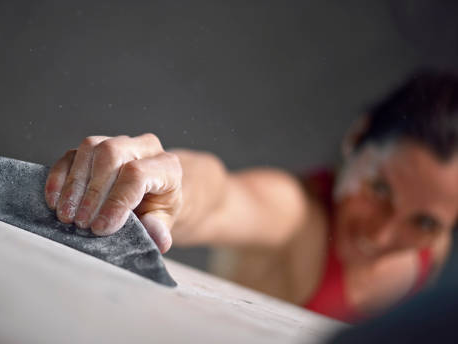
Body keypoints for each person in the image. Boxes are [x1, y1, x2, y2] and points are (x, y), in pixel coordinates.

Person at [44, 70, 458, 323]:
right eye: (379, 189)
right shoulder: (295, 216)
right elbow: (222, 196)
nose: (383, 234)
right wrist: (168, 182)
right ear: (355, 138)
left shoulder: (433, 247)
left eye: (424, 222)